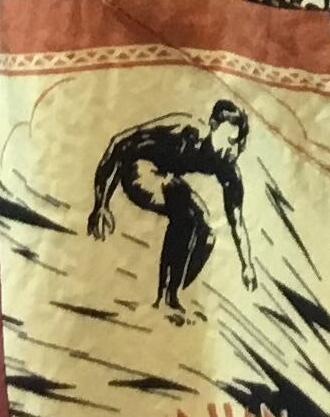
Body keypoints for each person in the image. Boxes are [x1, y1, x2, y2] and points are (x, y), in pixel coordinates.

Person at [88, 99, 258, 322]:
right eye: (230, 141)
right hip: (137, 170)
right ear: (213, 125)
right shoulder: (185, 129)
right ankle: (167, 300)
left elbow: (237, 220)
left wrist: (247, 265)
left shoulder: (228, 168)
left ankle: (171, 295)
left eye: (239, 146)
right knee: (188, 214)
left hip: (165, 180)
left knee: (207, 232)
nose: (232, 152)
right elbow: (119, 143)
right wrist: (101, 204)